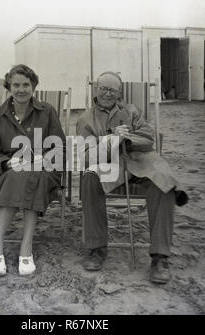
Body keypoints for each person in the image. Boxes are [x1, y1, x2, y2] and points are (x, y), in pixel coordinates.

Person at [76, 71, 188, 284]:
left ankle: (160, 257)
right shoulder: (86, 119)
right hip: (109, 166)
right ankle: (96, 249)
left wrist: (125, 138)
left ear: (119, 93)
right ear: (96, 90)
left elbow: (148, 138)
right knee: (89, 177)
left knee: (164, 181)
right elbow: (87, 156)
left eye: (113, 90)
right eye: (103, 89)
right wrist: (110, 140)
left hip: (141, 161)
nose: (108, 94)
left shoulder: (132, 111)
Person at [0, 64, 66, 277]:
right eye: (16, 85)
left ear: (34, 86)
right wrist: (7, 163)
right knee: (19, 174)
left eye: (26, 85)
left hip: (46, 169)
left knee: (32, 174)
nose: (21, 90)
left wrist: (44, 159)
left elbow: (60, 147)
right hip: (10, 170)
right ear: (8, 87)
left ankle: (5, 246)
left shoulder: (47, 111)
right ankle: (21, 249)